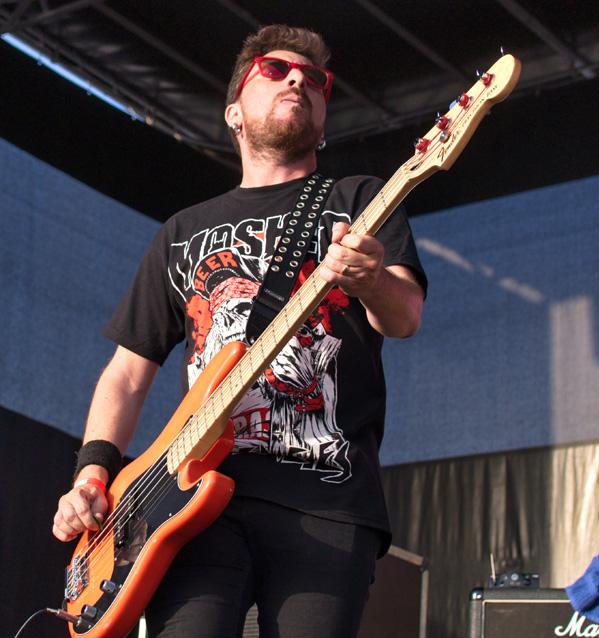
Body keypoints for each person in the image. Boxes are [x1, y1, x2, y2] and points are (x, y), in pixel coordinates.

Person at [52, 24, 427, 638]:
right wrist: (92, 474)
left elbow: (404, 316)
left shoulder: (359, 198)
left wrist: (369, 280)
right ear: (233, 113)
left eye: (315, 80)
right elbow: (126, 374)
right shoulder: (183, 231)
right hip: (188, 503)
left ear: (324, 122)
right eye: (276, 71)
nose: (299, 80)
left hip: (326, 498)